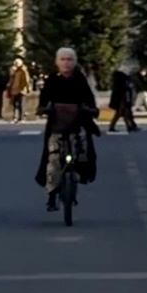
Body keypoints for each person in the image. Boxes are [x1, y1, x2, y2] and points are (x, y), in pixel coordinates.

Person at [35, 46, 99, 208]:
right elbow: (43, 100)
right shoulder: (52, 80)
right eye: (62, 59)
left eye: (69, 59)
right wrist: (43, 108)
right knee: (53, 160)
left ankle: (80, 176)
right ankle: (51, 195)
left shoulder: (79, 79)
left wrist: (90, 109)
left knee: (84, 149)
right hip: (57, 125)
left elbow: (89, 99)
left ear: (74, 62)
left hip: (77, 124)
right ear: (57, 62)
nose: (66, 63)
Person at [108, 65, 137, 133]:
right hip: (122, 100)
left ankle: (113, 126)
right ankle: (128, 126)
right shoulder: (122, 81)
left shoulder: (118, 81)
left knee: (119, 113)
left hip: (121, 99)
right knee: (124, 112)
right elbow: (123, 91)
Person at [6, 57, 30, 122]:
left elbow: (26, 80)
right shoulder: (15, 71)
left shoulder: (23, 70)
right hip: (14, 90)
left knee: (21, 104)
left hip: (21, 90)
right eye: (15, 63)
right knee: (15, 104)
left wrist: (24, 88)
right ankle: (15, 117)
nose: (16, 65)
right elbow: (11, 79)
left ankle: (22, 118)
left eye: (17, 63)